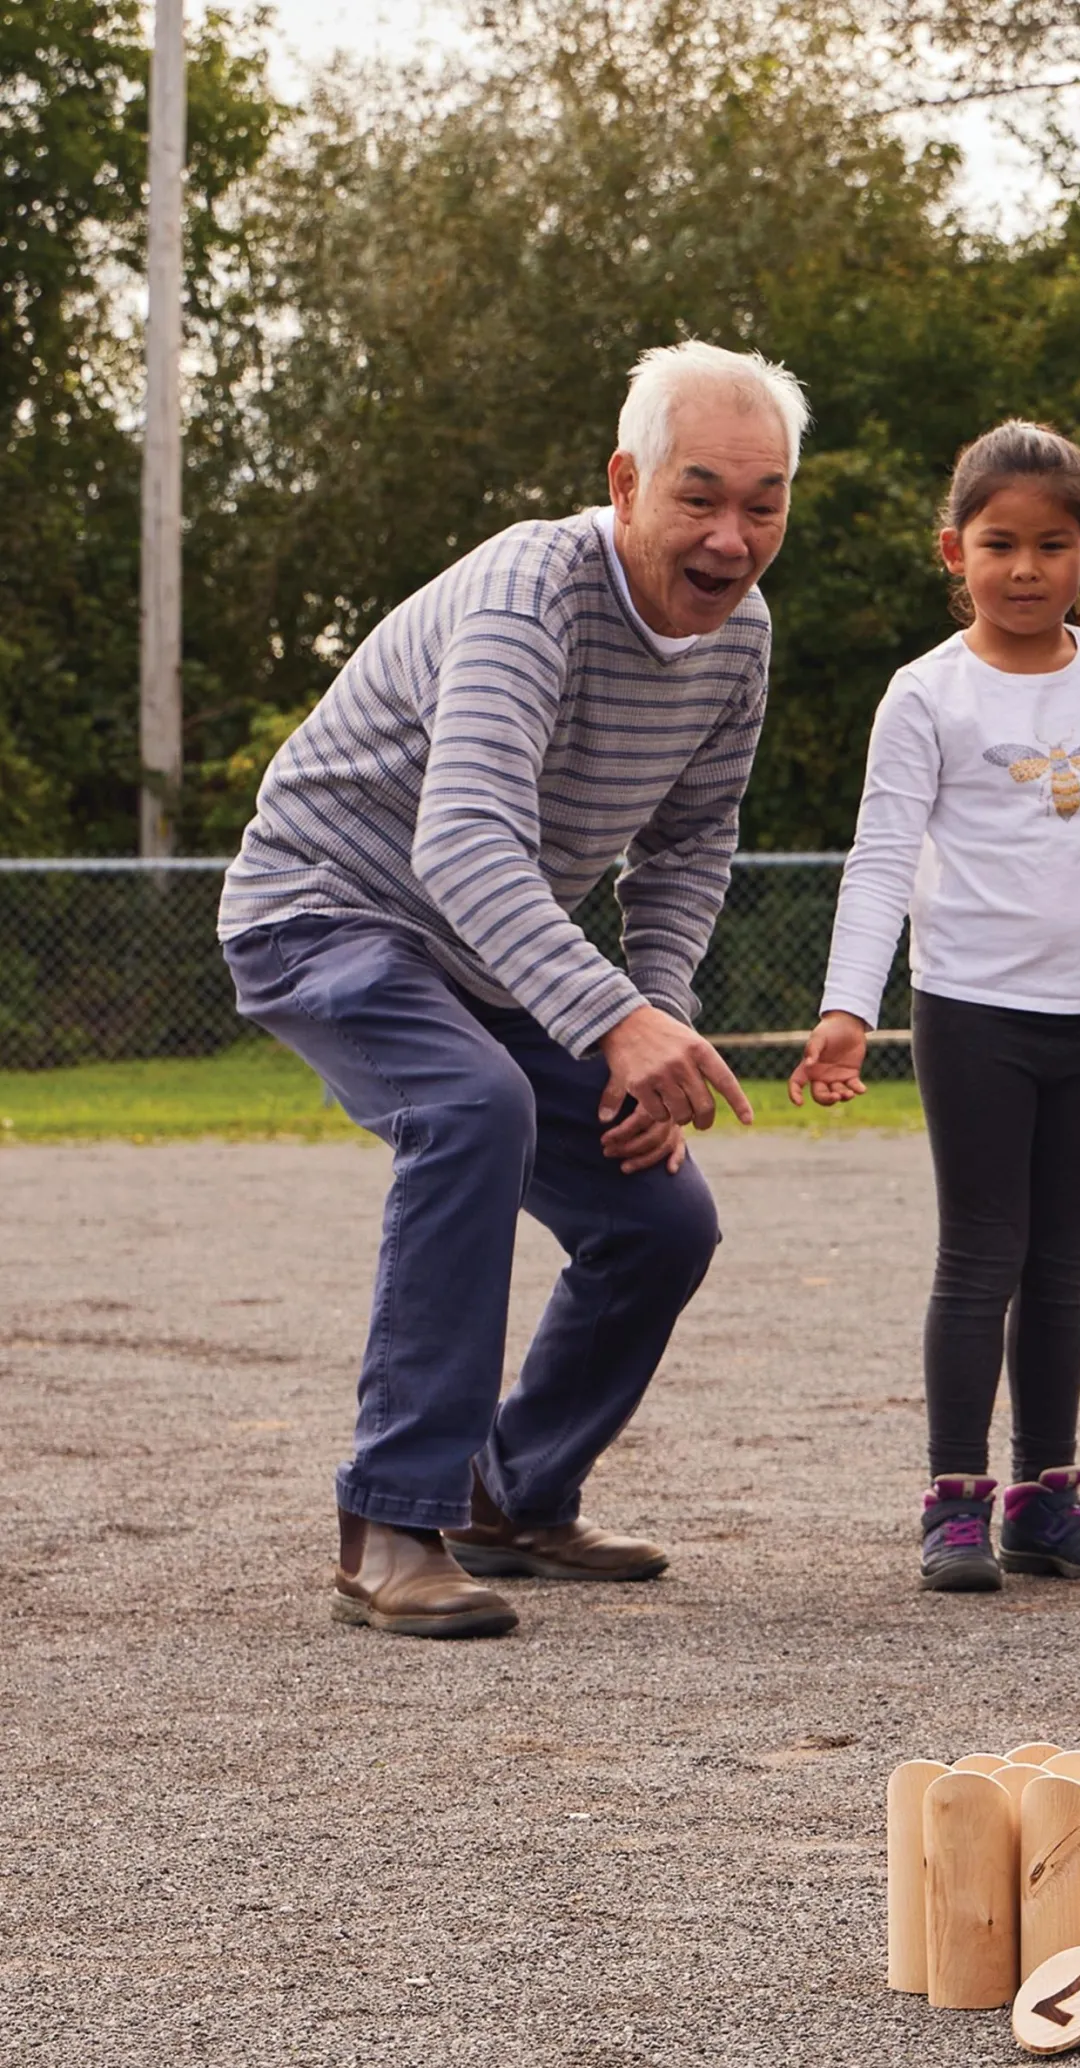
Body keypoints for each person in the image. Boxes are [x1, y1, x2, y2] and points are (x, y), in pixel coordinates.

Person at [218, 341, 809, 1639]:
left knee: (661, 1221)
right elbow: (463, 842)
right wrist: (616, 1021)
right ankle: (390, 1519)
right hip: (328, 908)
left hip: (493, 956)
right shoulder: (531, 592)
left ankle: (512, 1494)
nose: (730, 537)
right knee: (474, 1108)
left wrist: (650, 1021)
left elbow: (690, 843)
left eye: (762, 504)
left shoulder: (738, 640)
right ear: (626, 479)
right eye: (699, 497)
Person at [789, 421, 1080, 1592]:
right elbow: (881, 855)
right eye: (998, 544)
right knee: (980, 1251)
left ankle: (1044, 1498)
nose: (1024, 568)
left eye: (1049, 544)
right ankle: (952, 1499)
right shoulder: (925, 694)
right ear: (953, 550)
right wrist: (847, 1006)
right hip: (970, 1009)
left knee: (1065, 1258)